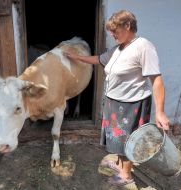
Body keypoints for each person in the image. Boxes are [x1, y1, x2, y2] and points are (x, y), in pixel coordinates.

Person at [64, 10, 170, 186]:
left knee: (128, 140)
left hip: (132, 103)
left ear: (128, 26)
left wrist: (160, 112)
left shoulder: (143, 46)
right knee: (117, 139)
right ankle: (120, 166)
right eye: (111, 32)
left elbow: (157, 80)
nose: (112, 35)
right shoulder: (118, 49)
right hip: (114, 102)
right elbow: (98, 59)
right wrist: (76, 57)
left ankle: (126, 175)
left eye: (115, 30)